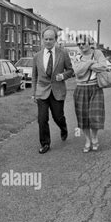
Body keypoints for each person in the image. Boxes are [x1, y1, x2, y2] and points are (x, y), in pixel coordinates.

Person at [32, 26, 74, 154]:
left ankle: (63, 127)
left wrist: (63, 76)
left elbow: (71, 70)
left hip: (57, 90)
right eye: (46, 39)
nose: (48, 41)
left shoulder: (63, 53)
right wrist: (34, 93)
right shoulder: (37, 56)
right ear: (42, 40)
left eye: (51, 39)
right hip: (42, 91)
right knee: (42, 119)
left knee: (58, 117)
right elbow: (35, 76)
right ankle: (45, 143)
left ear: (55, 39)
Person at [72, 36, 108, 152]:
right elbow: (77, 72)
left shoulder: (97, 53)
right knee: (83, 117)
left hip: (95, 87)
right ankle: (87, 140)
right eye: (79, 44)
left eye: (83, 43)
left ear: (90, 43)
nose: (81, 46)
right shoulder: (77, 56)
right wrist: (91, 63)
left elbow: (103, 66)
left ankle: (94, 137)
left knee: (95, 115)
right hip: (81, 88)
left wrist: (85, 65)